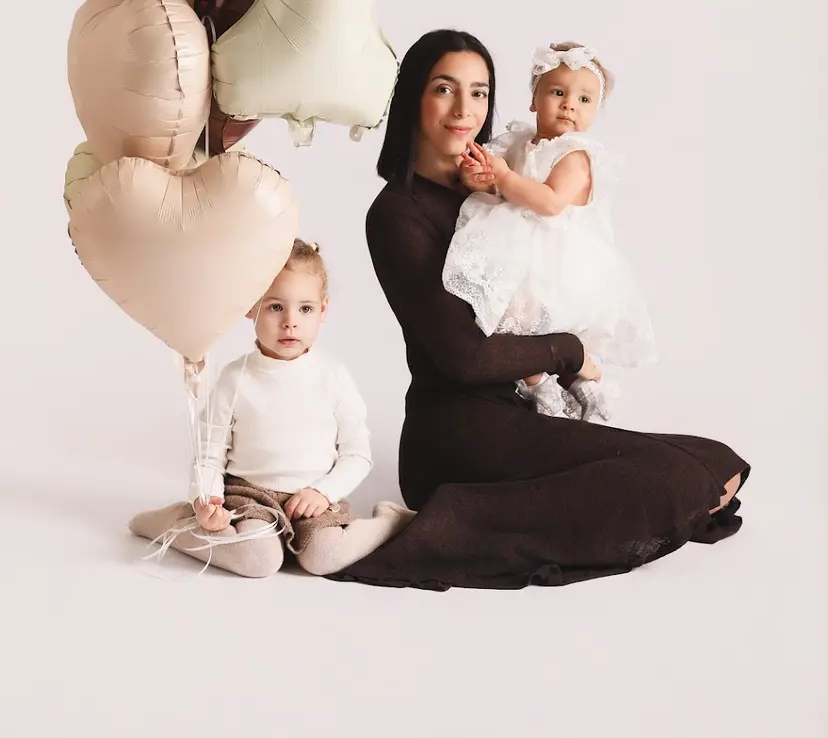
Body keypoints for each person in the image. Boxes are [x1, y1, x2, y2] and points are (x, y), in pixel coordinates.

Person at [333, 29, 748, 591]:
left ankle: (493, 512)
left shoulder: (500, 188)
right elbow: (464, 358)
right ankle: (446, 522)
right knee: (673, 478)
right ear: (413, 98)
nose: (464, 110)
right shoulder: (397, 214)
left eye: (479, 93)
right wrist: (569, 351)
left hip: (525, 409)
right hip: (457, 430)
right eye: (444, 89)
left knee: (716, 462)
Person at [129, 239, 413, 577]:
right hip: (250, 498)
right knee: (259, 561)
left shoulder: (333, 377)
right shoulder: (235, 379)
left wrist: (323, 492)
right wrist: (206, 500)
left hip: (312, 501)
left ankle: (388, 521)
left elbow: (357, 454)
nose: (290, 322)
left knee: (324, 557)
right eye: (275, 307)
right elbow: (209, 454)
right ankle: (173, 523)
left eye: (305, 309)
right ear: (251, 307)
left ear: (323, 310)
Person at [442, 40, 656, 423]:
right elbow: (497, 185)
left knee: (532, 325)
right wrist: (481, 178)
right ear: (533, 100)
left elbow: (551, 202)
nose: (569, 105)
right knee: (506, 323)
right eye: (558, 93)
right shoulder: (519, 142)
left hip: (556, 261)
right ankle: (540, 387)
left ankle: (589, 385)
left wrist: (503, 177)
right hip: (518, 250)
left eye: (584, 99)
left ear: (595, 111)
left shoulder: (575, 155)